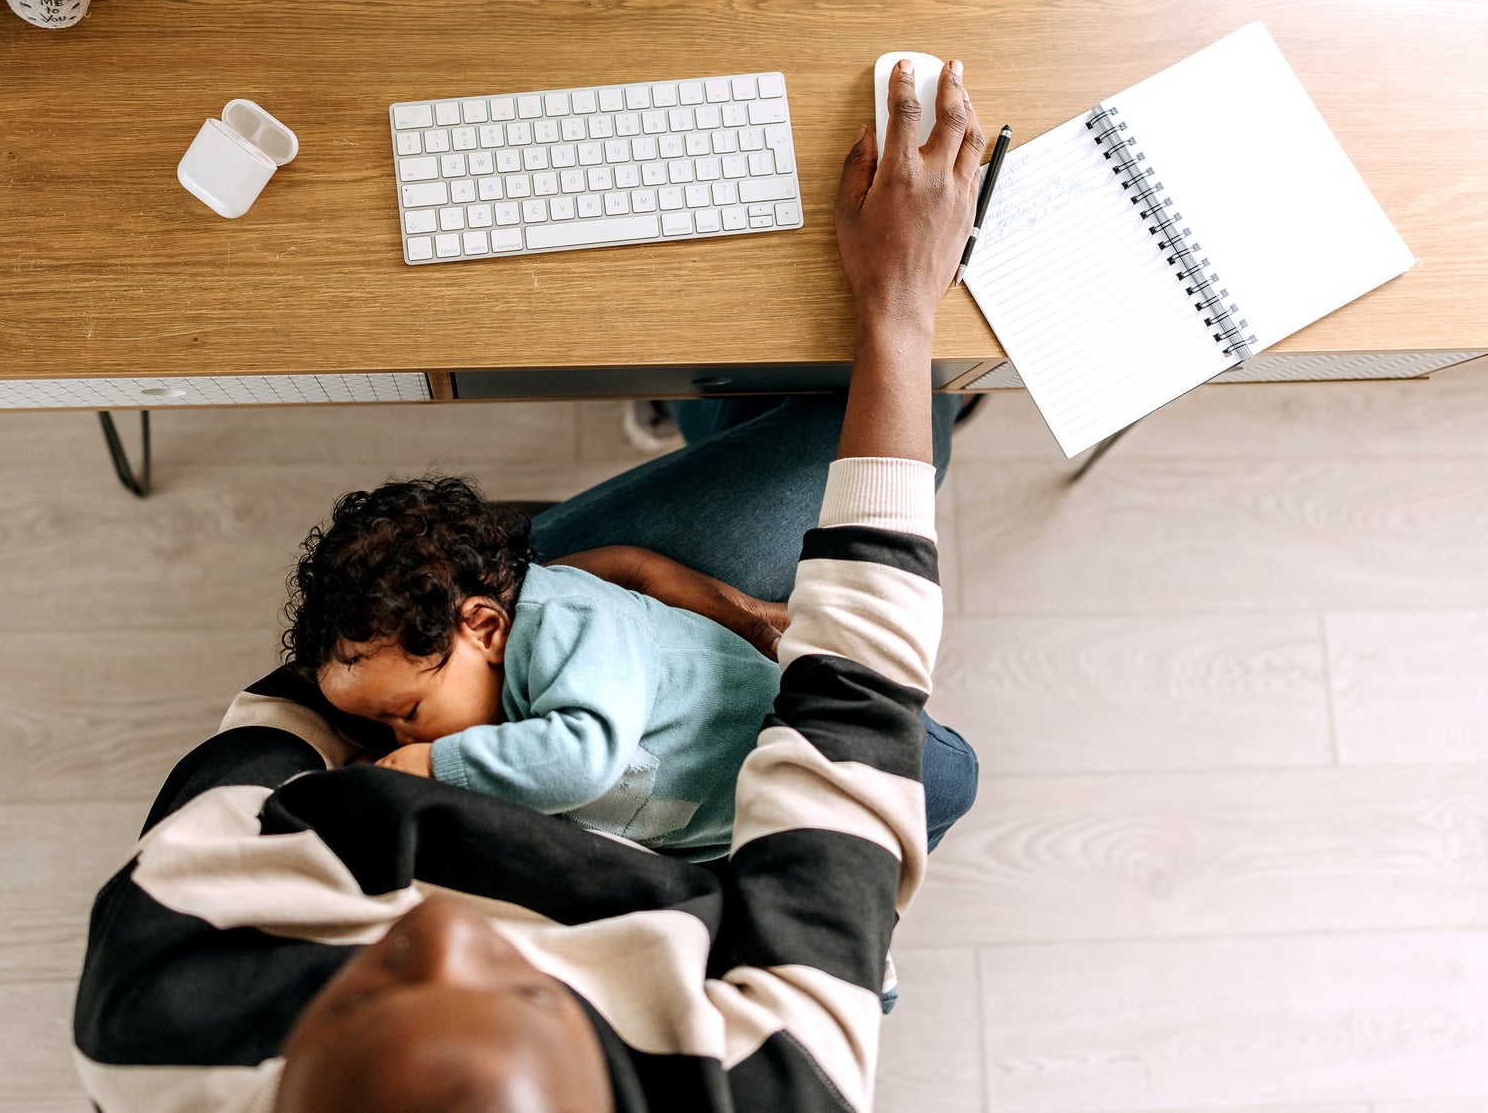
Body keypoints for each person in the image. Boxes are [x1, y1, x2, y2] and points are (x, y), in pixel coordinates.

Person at [73, 57, 987, 1112]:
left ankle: (718, 404)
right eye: (535, 981)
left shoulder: (156, 1004)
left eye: (363, 984)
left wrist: (396, 641)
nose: (450, 925)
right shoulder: (780, 1061)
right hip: (669, 794)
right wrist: (900, 312)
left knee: (805, 444)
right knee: (923, 682)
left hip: (466, 638)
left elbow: (283, 712)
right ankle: (740, 401)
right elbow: (854, 704)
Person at [287, 477, 792, 861]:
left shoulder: (570, 621)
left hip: (811, 751)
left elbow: (582, 757)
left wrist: (431, 766)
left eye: (407, 712)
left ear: (483, 629)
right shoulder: (491, 699)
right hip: (743, 833)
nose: (401, 741)